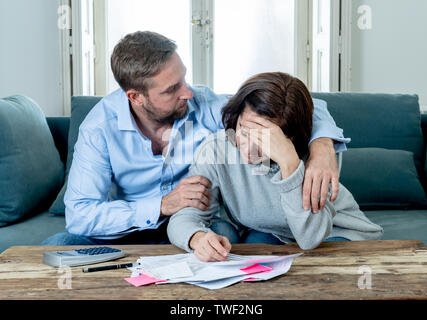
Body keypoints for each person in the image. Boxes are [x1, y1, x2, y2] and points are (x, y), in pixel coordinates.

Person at [42, 31, 350, 246]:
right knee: (58, 245)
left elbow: (280, 102)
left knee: (226, 242)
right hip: (126, 231)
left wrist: (321, 147)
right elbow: (80, 215)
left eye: (183, 78)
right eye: (171, 89)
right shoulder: (99, 129)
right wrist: (162, 205)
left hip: (196, 224)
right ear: (135, 97)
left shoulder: (199, 104)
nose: (187, 92)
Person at [167, 72, 384, 262]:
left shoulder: (316, 161)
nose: (248, 146)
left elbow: (310, 239)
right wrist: (196, 238)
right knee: (251, 245)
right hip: (278, 232)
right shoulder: (216, 148)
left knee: (319, 271)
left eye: (262, 137)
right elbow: (184, 217)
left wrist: (290, 165)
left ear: (289, 137)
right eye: (244, 128)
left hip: (333, 233)